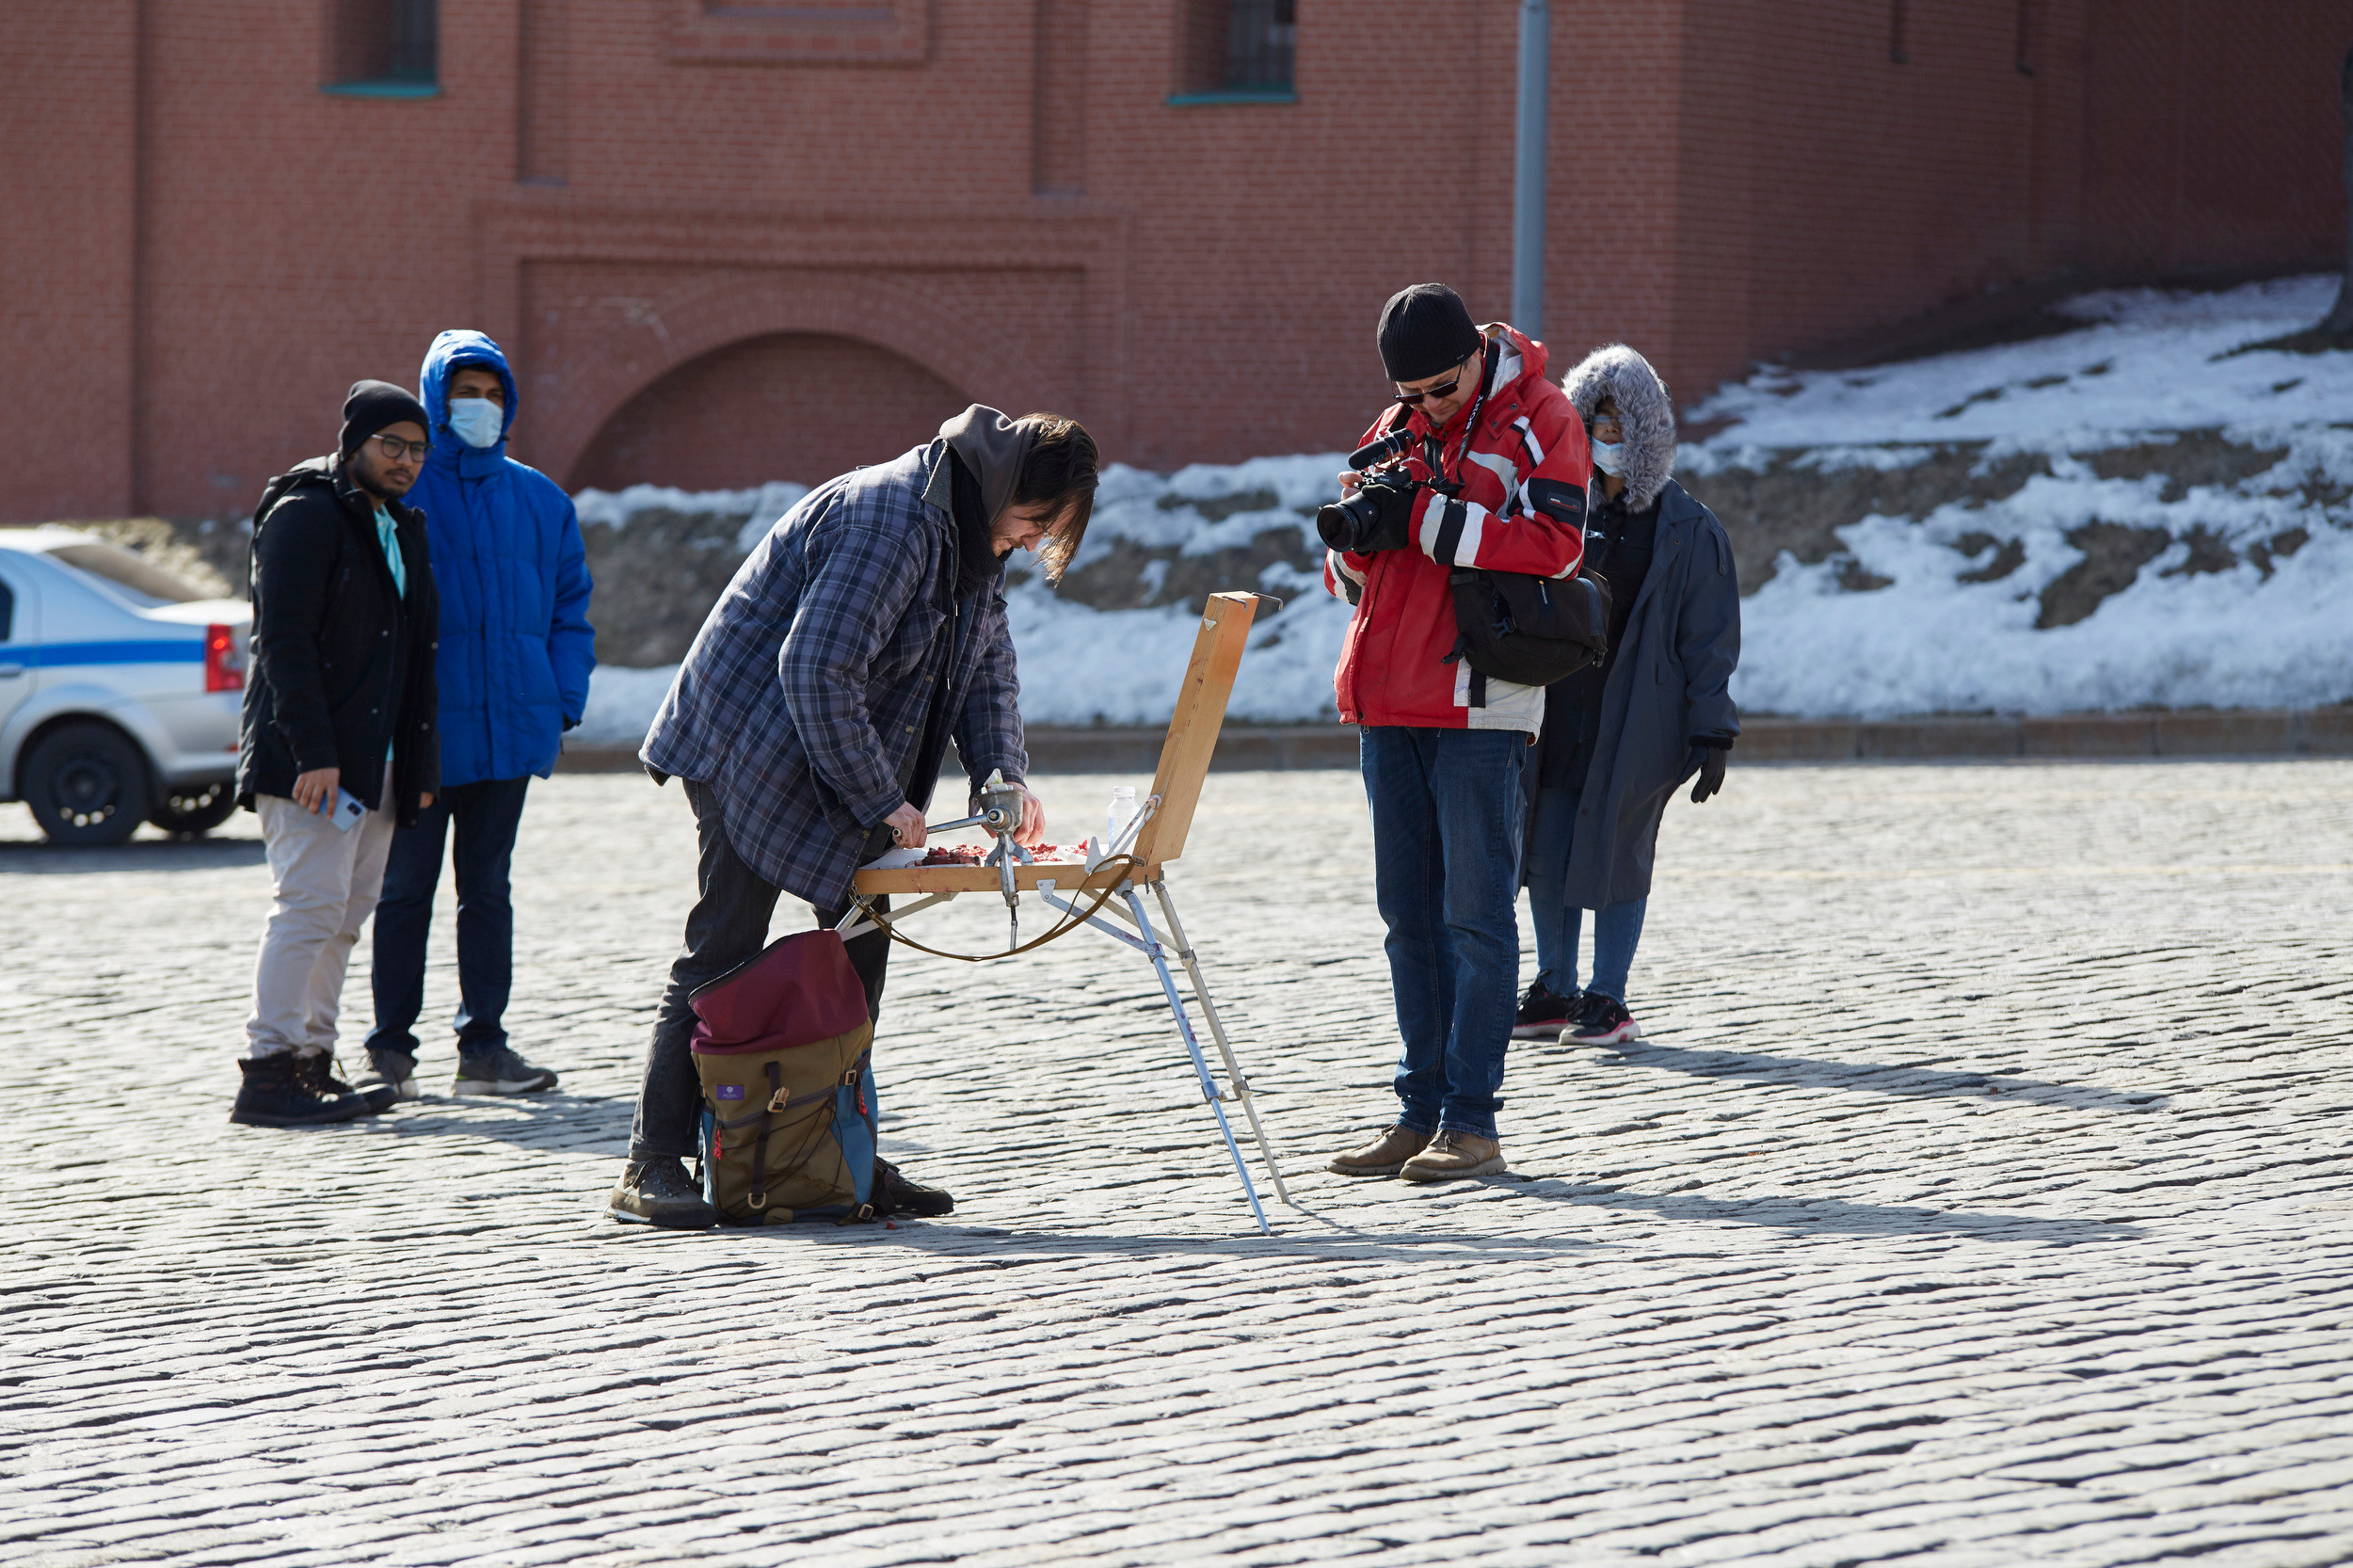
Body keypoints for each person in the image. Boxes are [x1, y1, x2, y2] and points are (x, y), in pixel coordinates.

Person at [604, 406, 1097, 1228]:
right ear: (1008, 486)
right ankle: (652, 1161)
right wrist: (882, 800)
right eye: (1034, 521)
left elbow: (986, 667)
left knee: (859, 952)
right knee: (723, 950)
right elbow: (816, 670)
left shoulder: (975, 531)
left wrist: (1001, 771)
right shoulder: (891, 517)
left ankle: (836, 1150)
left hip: (835, 755)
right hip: (749, 747)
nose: (1030, 539)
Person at [1321, 284, 1592, 1184]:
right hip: (1390, 699)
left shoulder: (1540, 416)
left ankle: (1473, 1124)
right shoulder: (1395, 423)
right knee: (1408, 920)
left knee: (1474, 918)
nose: (1428, 406)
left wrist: (1427, 517)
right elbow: (1351, 573)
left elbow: (1557, 541)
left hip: (1480, 699)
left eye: (1442, 388)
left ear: (1478, 354)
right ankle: (1417, 1112)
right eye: (1413, 393)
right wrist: (1361, 531)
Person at [362, 330, 594, 1101]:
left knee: (487, 892)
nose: (481, 407)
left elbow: (570, 610)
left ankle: (484, 1047)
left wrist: (559, 697)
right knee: (403, 892)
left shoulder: (541, 500)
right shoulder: (402, 494)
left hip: (509, 731)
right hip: (421, 739)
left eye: (494, 394)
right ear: (436, 399)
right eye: (467, 393)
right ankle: (389, 1050)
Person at [230, 381, 441, 1128]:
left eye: (418, 449)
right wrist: (313, 753)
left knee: (347, 915)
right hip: (311, 762)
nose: (407, 461)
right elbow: (282, 646)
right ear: (354, 442)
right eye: (392, 445)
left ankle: (313, 1063)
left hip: (378, 764)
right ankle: (268, 1069)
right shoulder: (304, 516)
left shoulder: (399, 526)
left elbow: (416, 659)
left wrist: (417, 771)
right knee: (307, 907)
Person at [1521, 344, 1739, 1047]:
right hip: (1557, 708)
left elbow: (1708, 639)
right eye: (1592, 422)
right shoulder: (1558, 510)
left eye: (1617, 424)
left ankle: (1607, 996)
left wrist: (1713, 729)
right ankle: (1554, 984)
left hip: (1640, 718)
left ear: (1647, 432)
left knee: (1619, 852)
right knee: (1547, 845)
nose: (1602, 438)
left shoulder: (1688, 529)